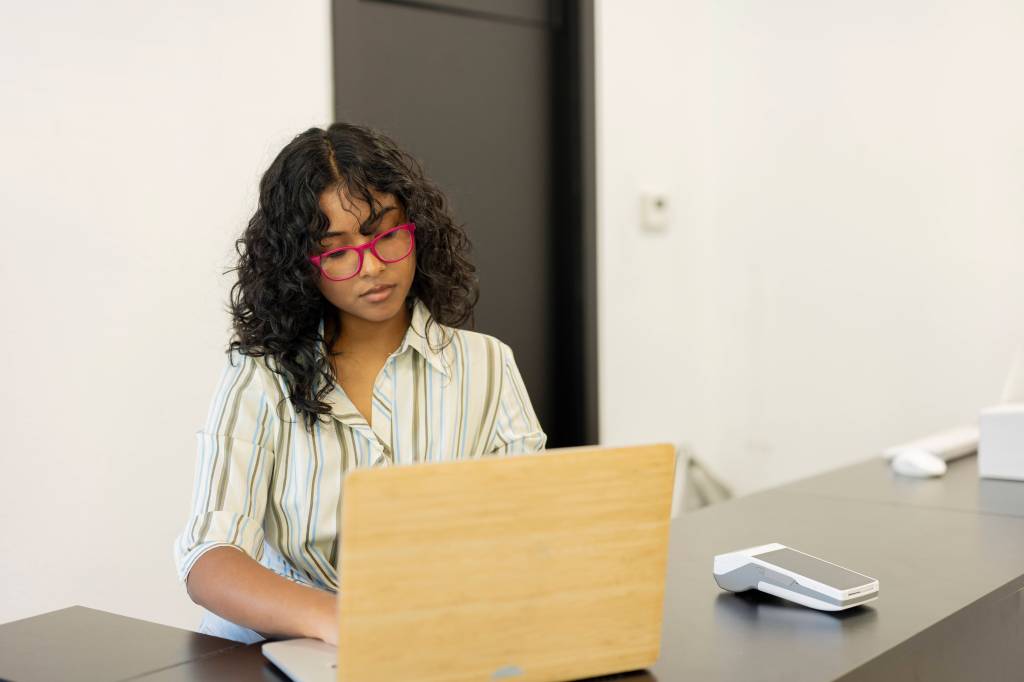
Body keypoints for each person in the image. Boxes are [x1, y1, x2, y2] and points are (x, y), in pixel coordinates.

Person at [173, 123, 547, 645]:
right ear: (300, 266)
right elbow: (209, 556)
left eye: (387, 235)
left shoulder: (485, 366)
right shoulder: (261, 374)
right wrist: (337, 621)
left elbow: (529, 531)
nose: (372, 267)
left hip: (430, 640)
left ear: (418, 231)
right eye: (337, 251)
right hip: (288, 646)